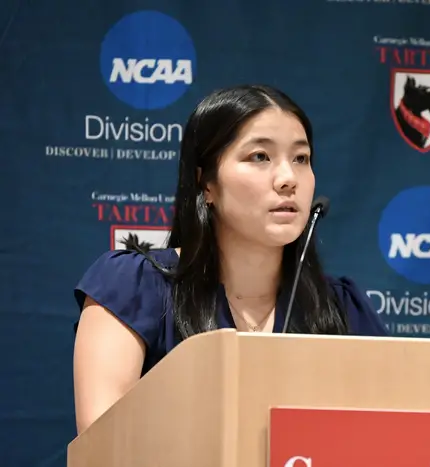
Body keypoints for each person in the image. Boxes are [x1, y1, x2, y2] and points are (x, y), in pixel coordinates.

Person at [72, 84, 389, 434]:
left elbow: (392, 438)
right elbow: (101, 448)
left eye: (301, 158)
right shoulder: (133, 288)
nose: (288, 179)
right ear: (206, 183)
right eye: (260, 157)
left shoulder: (342, 309)